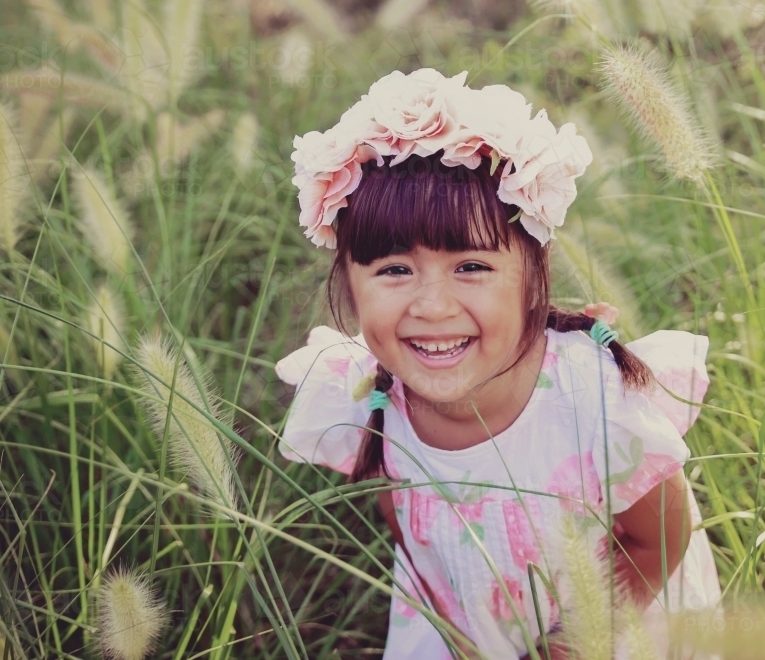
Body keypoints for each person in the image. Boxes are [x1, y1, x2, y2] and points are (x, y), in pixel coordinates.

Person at [274, 68, 722, 659]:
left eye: (472, 267)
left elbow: (657, 543)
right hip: (459, 629)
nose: (432, 306)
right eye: (393, 270)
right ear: (350, 287)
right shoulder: (367, 396)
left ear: (534, 278)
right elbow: (402, 514)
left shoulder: (596, 400)